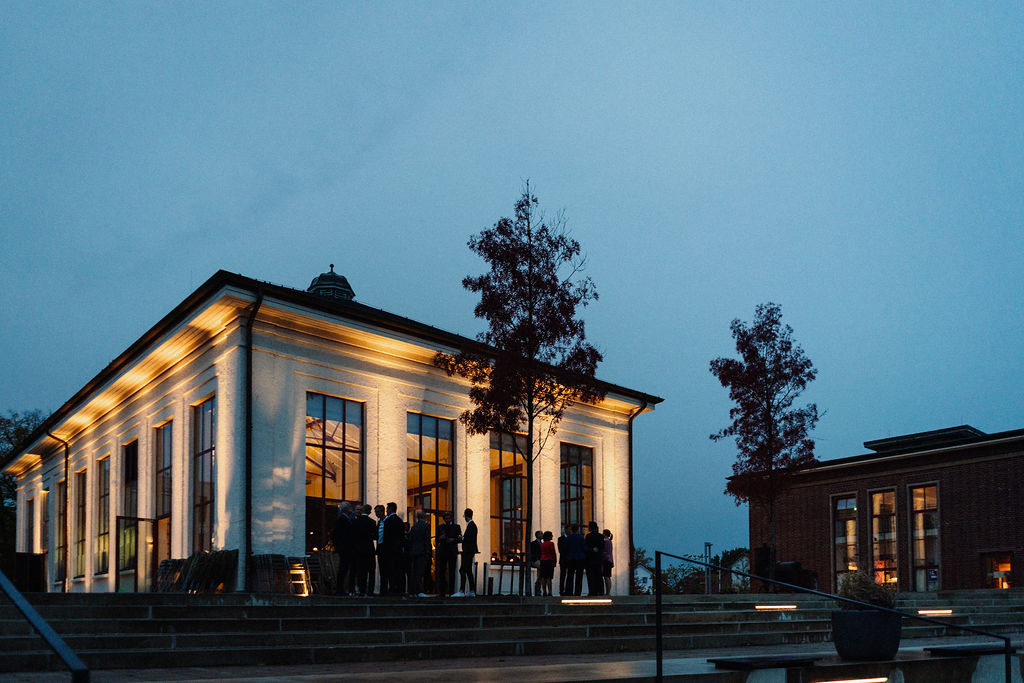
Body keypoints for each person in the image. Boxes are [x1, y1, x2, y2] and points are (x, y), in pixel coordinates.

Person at [351, 504, 377, 596]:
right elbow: (375, 536)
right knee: (371, 571)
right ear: (370, 512)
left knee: (361, 571)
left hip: (358, 550)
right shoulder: (372, 522)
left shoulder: (355, 522)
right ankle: (370, 590)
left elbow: (352, 536)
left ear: (362, 511)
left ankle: (362, 590)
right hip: (369, 549)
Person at [435, 510, 460, 597]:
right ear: (444, 519)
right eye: (446, 518)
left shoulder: (457, 527)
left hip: (452, 551)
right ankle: (442, 591)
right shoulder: (439, 527)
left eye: (449, 518)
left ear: (451, 518)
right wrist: (440, 538)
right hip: (443, 551)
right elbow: (436, 540)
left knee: (452, 571)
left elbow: (460, 539)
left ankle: (451, 591)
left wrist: (453, 540)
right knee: (442, 572)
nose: (447, 519)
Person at [330, 502, 353, 595]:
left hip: (345, 547)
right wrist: (339, 545)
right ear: (345, 509)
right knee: (343, 568)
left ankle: (341, 588)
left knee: (344, 568)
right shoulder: (342, 519)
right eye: (349, 507)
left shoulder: (345, 519)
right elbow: (335, 534)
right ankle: (340, 589)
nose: (351, 508)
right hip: (344, 548)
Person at [382, 502, 405, 594]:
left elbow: (386, 536)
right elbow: (402, 536)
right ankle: (399, 588)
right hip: (398, 549)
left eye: (387, 509)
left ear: (390, 509)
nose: (386, 511)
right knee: (398, 570)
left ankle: (392, 588)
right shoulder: (400, 521)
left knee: (391, 570)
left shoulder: (388, 521)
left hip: (390, 549)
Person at [407, 509, 431, 596]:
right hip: (422, 551)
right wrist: (428, 551)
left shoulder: (414, 527)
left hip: (414, 551)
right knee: (420, 571)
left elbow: (410, 540)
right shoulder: (426, 526)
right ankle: (419, 590)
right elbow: (427, 539)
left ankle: (413, 590)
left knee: (414, 571)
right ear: (424, 516)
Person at [454, 508, 478, 597]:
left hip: (468, 551)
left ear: (466, 515)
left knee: (463, 570)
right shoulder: (472, 525)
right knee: (468, 571)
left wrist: (462, 538)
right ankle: (472, 590)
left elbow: (469, 538)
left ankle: (462, 590)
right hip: (470, 551)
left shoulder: (471, 526)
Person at [563, 524, 586, 596]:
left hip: (571, 558)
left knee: (570, 576)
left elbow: (565, 549)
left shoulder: (568, 538)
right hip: (580, 558)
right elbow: (584, 547)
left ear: (571, 530)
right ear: (577, 530)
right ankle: (577, 592)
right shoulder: (581, 538)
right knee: (579, 576)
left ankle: (569, 592)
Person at [584, 521, 605, 596]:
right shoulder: (601, 536)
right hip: (598, 559)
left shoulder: (588, 536)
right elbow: (602, 547)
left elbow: (585, 547)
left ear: (591, 528)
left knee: (591, 577)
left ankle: (592, 591)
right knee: (599, 576)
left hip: (590, 559)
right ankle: (600, 591)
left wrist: (591, 550)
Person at [373, 504, 387, 595]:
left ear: (382, 511)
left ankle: (385, 590)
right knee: (382, 570)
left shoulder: (387, 521)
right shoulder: (379, 522)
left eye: (377, 512)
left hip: (386, 549)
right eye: (375, 512)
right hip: (381, 549)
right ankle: (383, 590)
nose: (376, 514)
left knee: (386, 570)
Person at [539, 531, 556, 596]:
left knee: (543, 577)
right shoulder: (551, 543)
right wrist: (555, 561)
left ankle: (544, 591)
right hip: (549, 561)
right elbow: (553, 553)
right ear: (549, 536)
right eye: (551, 535)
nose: (552, 536)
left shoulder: (542, 544)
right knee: (549, 577)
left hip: (543, 560)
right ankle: (550, 592)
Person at [529, 530, 543, 596]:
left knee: (540, 574)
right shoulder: (533, 543)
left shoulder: (542, 543)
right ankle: (537, 588)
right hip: (535, 560)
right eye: (541, 534)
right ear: (537, 535)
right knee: (542, 570)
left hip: (540, 560)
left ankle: (538, 588)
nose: (542, 535)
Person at [602, 529, 614, 595]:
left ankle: (607, 592)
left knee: (606, 577)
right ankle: (608, 592)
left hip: (606, 560)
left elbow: (605, 552)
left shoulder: (605, 541)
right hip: (609, 560)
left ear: (605, 534)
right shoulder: (609, 541)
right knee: (608, 576)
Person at [557, 527, 569, 595]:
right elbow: (560, 550)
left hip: (570, 559)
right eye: (568, 529)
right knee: (563, 575)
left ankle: (568, 590)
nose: (570, 531)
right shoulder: (561, 539)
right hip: (563, 559)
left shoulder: (571, 538)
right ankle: (561, 590)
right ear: (565, 530)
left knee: (569, 575)